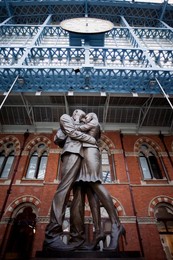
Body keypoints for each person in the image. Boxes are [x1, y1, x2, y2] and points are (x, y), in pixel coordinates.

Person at [70, 112, 127, 251]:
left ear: (92, 116)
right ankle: (98, 231)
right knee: (91, 192)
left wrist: (77, 118)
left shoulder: (94, 122)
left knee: (95, 183)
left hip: (90, 153)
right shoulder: (90, 124)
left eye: (87, 116)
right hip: (84, 154)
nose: (85, 118)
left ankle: (116, 225)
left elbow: (74, 130)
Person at [43, 109, 97, 252]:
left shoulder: (81, 125)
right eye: (80, 113)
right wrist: (89, 138)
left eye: (85, 115)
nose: (83, 115)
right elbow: (61, 138)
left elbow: (92, 132)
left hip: (83, 158)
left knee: (79, 199)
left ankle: (77, 240)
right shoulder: (66, 117)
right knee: (64, 191)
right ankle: (52, 236)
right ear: (75, 113)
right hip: (71, 154)